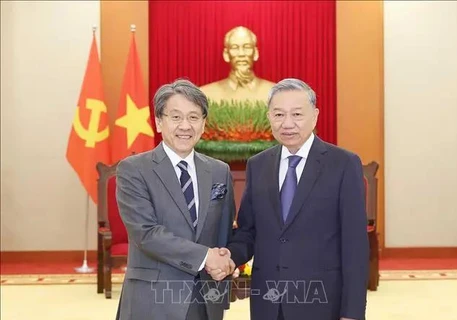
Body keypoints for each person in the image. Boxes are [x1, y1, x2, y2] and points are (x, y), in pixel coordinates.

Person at [218, 78, 369, 320]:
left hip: (322, 302)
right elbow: (248, 231)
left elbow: (355, 245)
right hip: (268, 303)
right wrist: (229, 258)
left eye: (297, 114)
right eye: (278, 114)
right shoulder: (259, 165)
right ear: (268, 116)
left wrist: (352, 312)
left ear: (315, 116)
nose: (287, 124)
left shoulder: (343, 164)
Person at [115, 79, 236, 320]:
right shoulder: (133, 169)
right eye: (176, 117)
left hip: (206, 298)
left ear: (203, 124)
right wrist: (206, 257)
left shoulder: (219, 171)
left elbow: (224, 231)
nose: (185, 126)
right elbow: (146, 233)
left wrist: (226, 260)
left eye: (193, 117)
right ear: (159, 122)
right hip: (152, 301)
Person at [200, 26, 275, 103]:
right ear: (226, 54)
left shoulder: (275, 93)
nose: (241, 54)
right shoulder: (205, 94)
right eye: (235, 48)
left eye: (247, 47)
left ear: (255, 53)